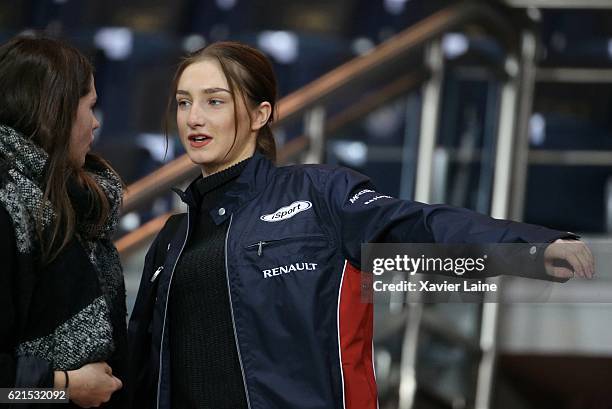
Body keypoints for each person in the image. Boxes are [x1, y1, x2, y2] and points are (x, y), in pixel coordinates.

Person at [128, 41, 594, 409]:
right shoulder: (171, 240)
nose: (194, 118)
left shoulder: (319, 195)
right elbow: (140, 372)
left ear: (258, 114)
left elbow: (420, 225)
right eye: (184, 102)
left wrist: (531, 247)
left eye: (214, 101)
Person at [0, 36, 126, 408]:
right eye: (90, 107)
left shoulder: (63, 201)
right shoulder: (8, 202)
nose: (96, 123)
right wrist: (63, 386)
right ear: (55, 110)